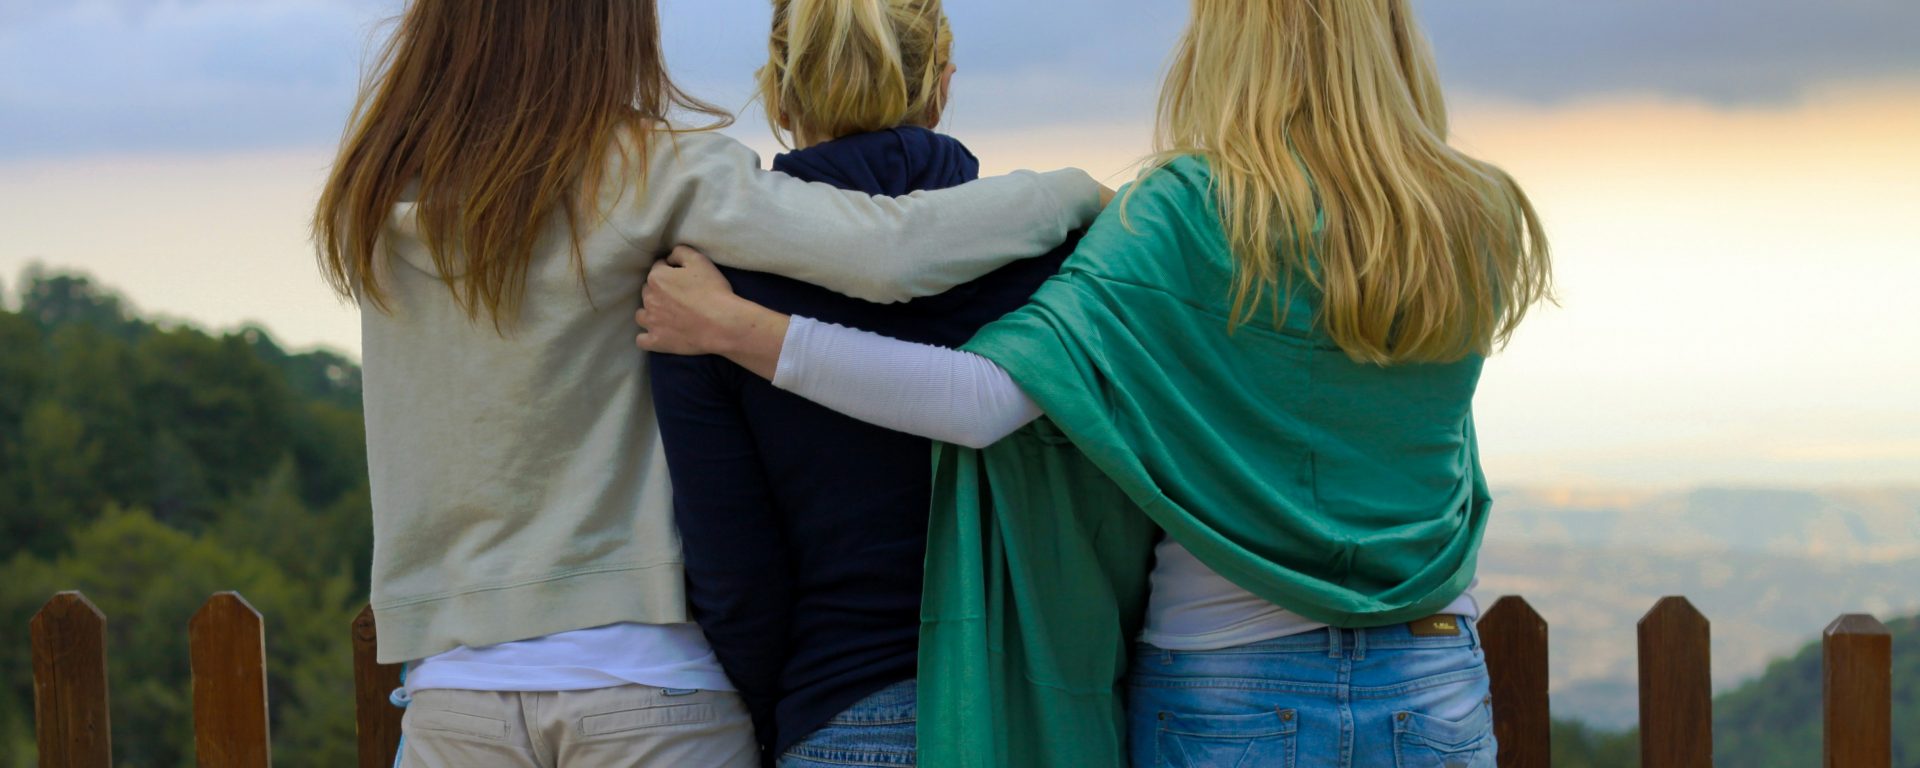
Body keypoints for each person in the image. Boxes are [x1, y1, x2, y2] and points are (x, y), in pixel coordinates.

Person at [631, 0, 1554, 765]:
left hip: (1227, 678)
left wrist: (741, 329)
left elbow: (985, 400)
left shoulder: (1187, 209)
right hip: (1433, 668)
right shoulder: (1477, 213)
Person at [310, 0, 1106, 765]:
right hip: (647, 677)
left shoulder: (372, 194)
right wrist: (1078, 192)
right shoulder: (649, 170)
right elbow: (890, 253)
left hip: (456, 689)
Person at [649, 1, 1080, 765]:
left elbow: (735, 573)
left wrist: (777, 712)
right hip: (1041, 710)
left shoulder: (708, 293)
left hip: (839, 709)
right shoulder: (1059, 259)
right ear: (942, 86)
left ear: (779, 98)